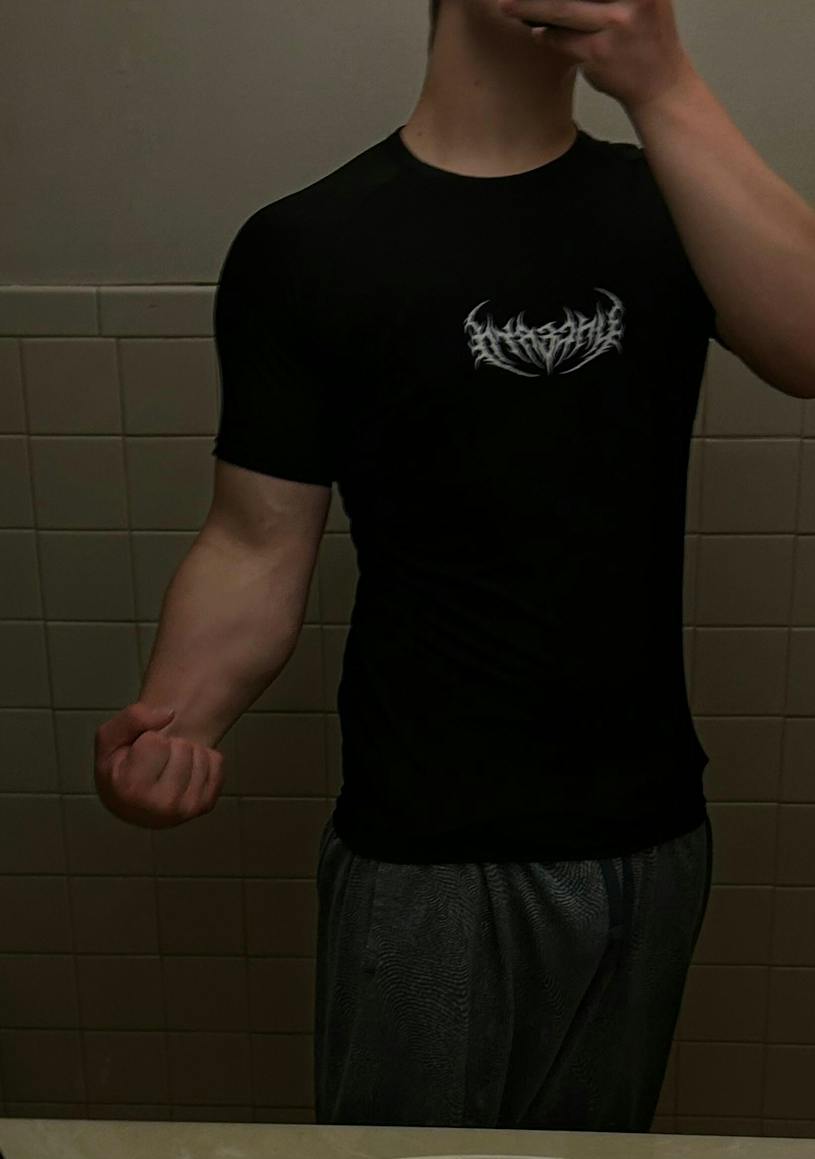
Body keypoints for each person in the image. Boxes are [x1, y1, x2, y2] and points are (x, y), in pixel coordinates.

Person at [94, 0, 718, 1134]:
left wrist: (665, 86)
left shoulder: (675, 204)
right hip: (424, 841)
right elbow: (254, 537)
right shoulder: (309, 243)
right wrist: (177, 724)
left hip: (648, 834)